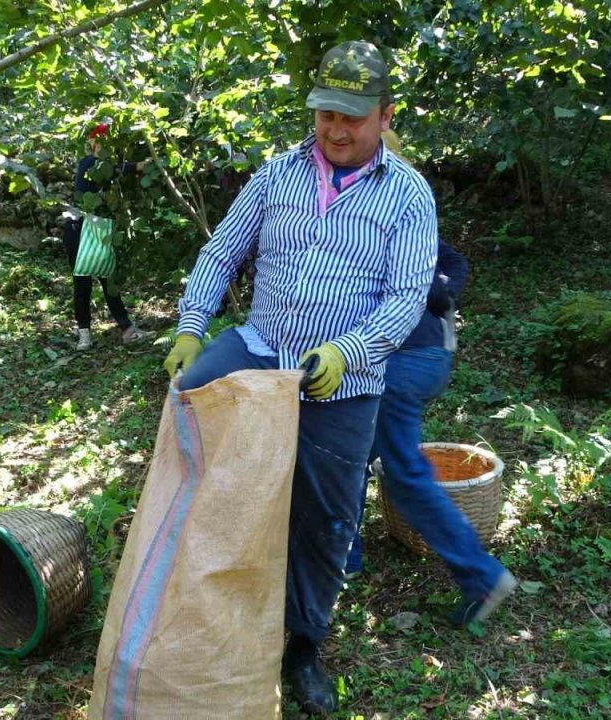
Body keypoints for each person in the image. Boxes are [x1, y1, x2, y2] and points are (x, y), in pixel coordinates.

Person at [163, 41, 437, 716]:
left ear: (384, 114)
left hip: (344, 383)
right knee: (187, 410)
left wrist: (350, 348)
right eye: (325, 115)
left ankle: (302, 647)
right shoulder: (278, 174)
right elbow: (222, 249)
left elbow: (406, 299)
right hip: (261, 350)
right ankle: (199, 600)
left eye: (353, 117)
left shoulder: (407, 193)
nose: (337, 130)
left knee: (326, 521)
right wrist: (193, 325)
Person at [343, 133, 518, 627]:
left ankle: (483, 577)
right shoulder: (357, 211)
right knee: (354, 450)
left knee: (400, 469)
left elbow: (453, 264)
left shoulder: (394, 210)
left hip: (410, 358)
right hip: (405, 357)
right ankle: (346, 556)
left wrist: (439, 293)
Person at [63, 122, 150, 350]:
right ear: (94, 142)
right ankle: (84, 335)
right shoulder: (89, 163)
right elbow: (110, 169)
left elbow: (115, 169)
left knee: (109, 281)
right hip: (79, 230)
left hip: (99, 229)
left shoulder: (104, 164)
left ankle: (128, 330)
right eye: (99, 140)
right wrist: (136, 166)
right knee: (82, 284)